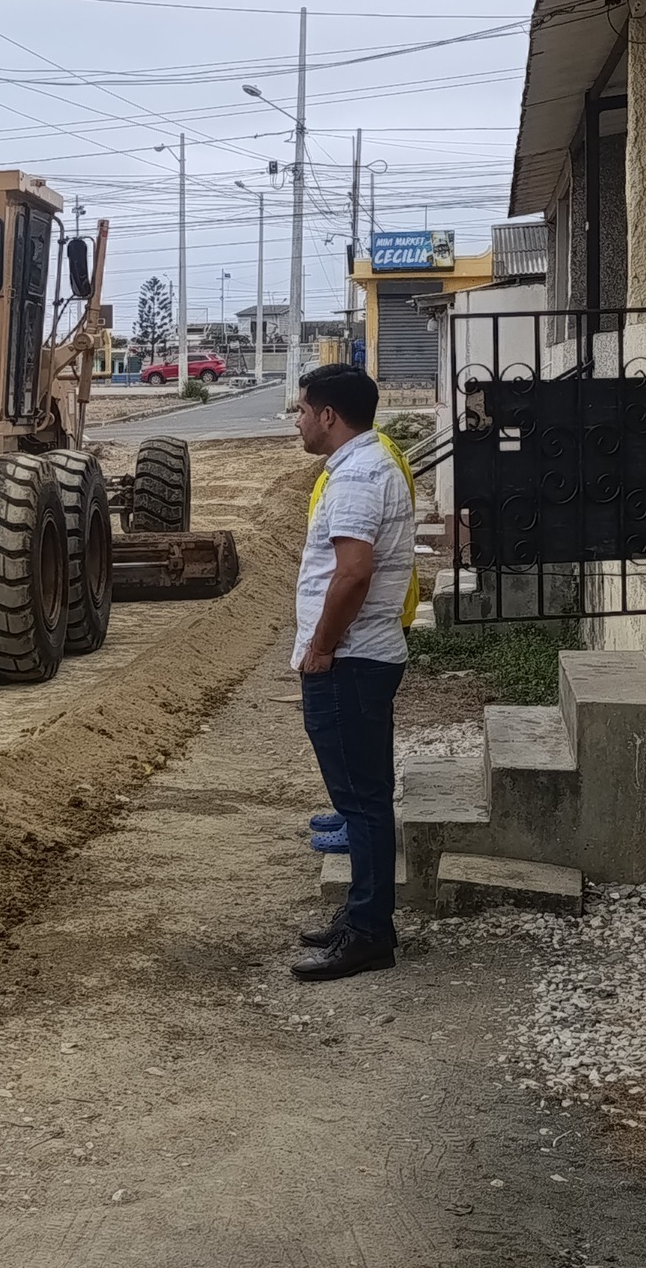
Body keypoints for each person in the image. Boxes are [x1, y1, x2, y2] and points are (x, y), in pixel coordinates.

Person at [288, 362, 415, 982]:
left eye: (301, 410)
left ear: (328, 415)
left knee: (361, 804)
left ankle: (368, 934)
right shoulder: (362, 466)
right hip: (360, 658)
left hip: (350, 661)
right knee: (363, 800)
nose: (298, 422)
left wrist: (320, 648)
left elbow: (354, 573)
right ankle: (363, 917)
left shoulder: (358, 476)